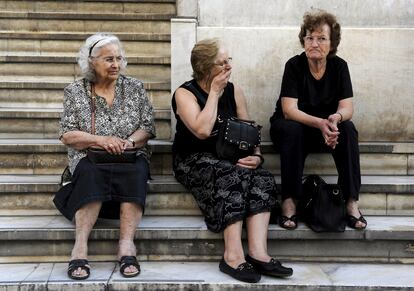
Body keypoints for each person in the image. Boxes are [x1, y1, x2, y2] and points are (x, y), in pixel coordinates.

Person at [172, 38, 293, 283]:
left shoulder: (234, 89)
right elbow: (202, 130)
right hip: (193, 159)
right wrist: (214, 92)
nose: (229, 66)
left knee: (262, 178)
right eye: (222, 62)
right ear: (206, 68)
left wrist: (256, 156)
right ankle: (232, 256)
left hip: (228, 157)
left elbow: (249, 130)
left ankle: (258, 253)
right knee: (231, 175)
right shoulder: (184, 93)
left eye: (230, 60)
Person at [53, 33, 156, 280]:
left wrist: (129, 142)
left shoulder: (134, 87)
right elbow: (67, 134)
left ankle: (126, 244)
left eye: (119, 59)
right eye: (109, 59)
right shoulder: (75, 91)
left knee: (137, 169)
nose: (116, 65)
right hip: (90, 156)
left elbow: (148, 127)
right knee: (89, 171)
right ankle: (80, 246)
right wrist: (101, 140)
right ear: (91, 61)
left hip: (129, 155)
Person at [269, 10, 367, 230]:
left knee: (348, 129)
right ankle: (289, 202)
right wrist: (321, 124)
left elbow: (347, 107)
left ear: (332, 44)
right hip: (291, 130)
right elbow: (289, 110)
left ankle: (351, 202)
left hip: (323, 130)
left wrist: (335, 119)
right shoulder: (293, 66)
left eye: (321, 38)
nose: (314, 43)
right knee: (293, 129)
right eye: (309, 38)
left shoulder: (339, 67)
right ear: (303, 41)